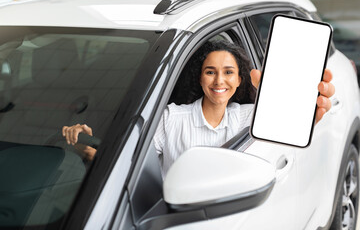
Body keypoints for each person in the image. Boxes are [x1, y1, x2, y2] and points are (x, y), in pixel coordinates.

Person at [62, 40, 335, 176]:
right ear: (200, 77)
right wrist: (84, 142)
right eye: (210, 72)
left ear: (239, 80)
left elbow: (292, 122)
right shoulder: (171, 119)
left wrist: (308, 109)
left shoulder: (250, 117)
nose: (219, 81)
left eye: (229, 72)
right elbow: (128, 161)